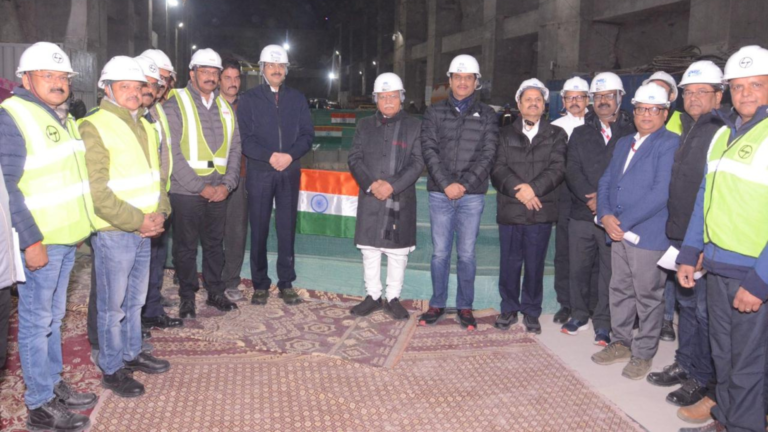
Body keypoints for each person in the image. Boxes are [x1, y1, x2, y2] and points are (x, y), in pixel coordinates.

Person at [0, 42, 96, 432]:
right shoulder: (13, 115)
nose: (58, 83)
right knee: (36, 322)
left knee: (53, 319)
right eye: (48, 76)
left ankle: (53, 384)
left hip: (65, 238)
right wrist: (30, 241)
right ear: (26, 79)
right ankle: (39, 404)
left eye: (63, 77)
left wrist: (79, 228)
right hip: (40, 240)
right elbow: (7, 188)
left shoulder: (60, 116)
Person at [677, 45, 768, 432]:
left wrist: (761, 280)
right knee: (724, 355)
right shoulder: (723, 134)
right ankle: (727, 420)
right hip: (716, 267)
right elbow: (705, 197)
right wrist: (690, 250)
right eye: (738, 86)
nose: (746, 93)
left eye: (756, 85)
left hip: (751, 272)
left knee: (747, 363)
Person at [80, 56, 172, 398]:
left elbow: (156, 178)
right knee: (112, 307)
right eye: (125, 86)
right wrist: (138, 221)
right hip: (115, 232)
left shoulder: (145, 125)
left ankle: (132, 352)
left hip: (145, 230)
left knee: (135, 301)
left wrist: (161, 213)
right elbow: (97, 191)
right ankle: (112, 367)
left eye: (138, 86)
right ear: (107, 89)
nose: (134, 92)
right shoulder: (93, 125)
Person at [646, 61, 724, 420]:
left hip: (701, 240)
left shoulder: (720, 131)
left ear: (718, 96)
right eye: (689, 92)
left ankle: (703, 379)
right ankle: (687, 363)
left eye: (702, 92)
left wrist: (702, 243)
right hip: (680, 236)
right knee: (686, 307)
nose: (693, 98)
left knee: (704, 313)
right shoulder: (689, 127)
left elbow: (714, 193)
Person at [591, 83, 679, 380]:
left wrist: (621, 222)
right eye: (641, 109)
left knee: (648, 296)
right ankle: (620, 342)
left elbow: (661, 193)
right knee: (620, 289)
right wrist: (605, 215)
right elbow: (606, 181)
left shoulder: (669, 143)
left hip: (647, 235)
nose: (646, 115)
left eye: (653, 109)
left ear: (665, 113)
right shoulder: (624, 142)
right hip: (618, 231)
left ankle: (643, 354)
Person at [418, 54, 498, 330]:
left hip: (471, 195)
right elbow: (429, 150)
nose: (463, 82)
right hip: (440, 194)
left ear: (476, 82)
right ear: (450, 81)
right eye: (458, 77)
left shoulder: (487, 115)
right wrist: (446, 184)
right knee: (440, 253)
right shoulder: (433, 113)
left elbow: (488, 153)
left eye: (468, 78)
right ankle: (437, 303)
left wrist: (463, 185)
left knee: (466, 254)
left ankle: (465, 306)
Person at [164, 48, 241, 318]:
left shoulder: (225, 107)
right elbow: (172, 152)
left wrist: (227, 185)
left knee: (214, 245)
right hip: (186, 192)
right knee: (185, 248)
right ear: (192, 73)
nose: (210, 77)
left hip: (219, 191)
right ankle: (187, 297)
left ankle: (215, 292)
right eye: (204, 71)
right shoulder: (176, 102)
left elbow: (235, 149)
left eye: (214, 72)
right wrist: (201, 187)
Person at [237, 44, 314, 306]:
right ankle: (260, 284)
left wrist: (290, 156)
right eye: (271, 65)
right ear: (262, 69)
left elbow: (307, 135)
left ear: (287, 69)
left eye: (281, 65)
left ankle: (286, 283)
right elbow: (245, 139)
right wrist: (269, 156)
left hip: (289, 172)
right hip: (260, 172)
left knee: (286, 229)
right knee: (258, 228)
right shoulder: (249, 100)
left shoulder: (297, 99)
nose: (276, 69)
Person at [562, 72, 635, 345]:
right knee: (578, 268)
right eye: (599, 96)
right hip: (582, 213)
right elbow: (572, 169)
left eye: (609, 96)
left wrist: (605, 204)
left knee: (609, 272)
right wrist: (590, 199)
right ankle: (579, 314)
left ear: (619, 98)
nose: (603, 101)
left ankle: (603, 322)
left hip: (614, 217)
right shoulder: (580, 133)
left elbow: (631, 173)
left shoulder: (632, 132)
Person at [491, 79, 567, 334]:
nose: (533, 104)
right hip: (511, 209)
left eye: (538, 100)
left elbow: (558, 168)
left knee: (535, 265)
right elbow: (498, 168)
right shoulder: (503, 134)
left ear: (544, 105)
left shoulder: (557, 134)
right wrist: (521, 190)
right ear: (519, 104)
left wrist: (533, 189)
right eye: (528, 100)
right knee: (509, 264)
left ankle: (532, 312)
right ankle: (509, 309)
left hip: (539, 209)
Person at [347, 72, 423, 320]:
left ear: (401, 97)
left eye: (392, 96)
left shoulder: (414, 126)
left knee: (397, 253)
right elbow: (354, 158)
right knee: (369, 250)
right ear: (375, 99)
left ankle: (392, 298)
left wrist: (392, 186)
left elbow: (417, 162)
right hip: (370, 196)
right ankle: (372, 296)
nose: (388, 101)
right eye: (383, 97)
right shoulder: (364, 125)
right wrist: (371, 185)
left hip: (399, 197)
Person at [135, 55, 183, 331]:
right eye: (156, 79)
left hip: (159, 198)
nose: (162, 85)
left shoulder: (157, 109)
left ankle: (151, 308)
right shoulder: (136, 113)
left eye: (165, 79)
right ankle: (137, 317)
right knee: (136, 268)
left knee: (156, 259)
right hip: (137, 206)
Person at [644, 70, 681, 342]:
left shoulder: (682, 122)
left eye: (663, 90)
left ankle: (666, 319)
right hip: (648, 207)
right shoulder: (641, 121)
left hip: (673, 204)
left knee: (669, 269)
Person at [551, 76, 591, 325]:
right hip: (564, 196)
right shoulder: (555, 127)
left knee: (594, 254)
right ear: (563, 101)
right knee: (565, 252)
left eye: (579, 97)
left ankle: (592, 303)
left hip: (593, 195)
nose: (574, 102)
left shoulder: (598, 124)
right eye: (570, 98)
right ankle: (566, 303)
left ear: (588, 99)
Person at [219, 58, 248, 302]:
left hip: (240, 176)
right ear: (219, 80)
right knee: (210, 231)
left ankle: (231, 280)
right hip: (211, 178)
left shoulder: (248, 106)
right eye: (227, 78)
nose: (233, 82)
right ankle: (211, 279)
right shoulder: (208, 106)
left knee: (236, 231)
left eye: (236, 78)